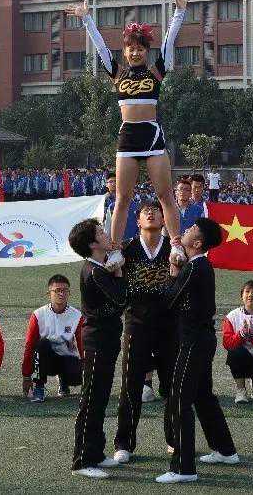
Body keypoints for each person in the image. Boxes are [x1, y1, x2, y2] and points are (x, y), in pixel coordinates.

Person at [66, 0, 189, 271]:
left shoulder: (157, 71)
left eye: (140, 48)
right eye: (131, 48)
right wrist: (86, 19)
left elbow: (169, 40)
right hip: (127, 139)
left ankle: (176, 245)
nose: (135, 52)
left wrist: (179, 11)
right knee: (122, 199)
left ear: (147, 51)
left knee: (165, 195)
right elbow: (100, 47)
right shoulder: (117, 72)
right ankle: (114, 251)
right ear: (125, 51)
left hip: (152, 137)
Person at [158, 217, 238, 484]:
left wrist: (172, 270)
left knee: (180, 400)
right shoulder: (198, 265)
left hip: (193, 342)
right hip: (201, 339)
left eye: (192, 229)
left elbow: (169, 299)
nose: (186, 229)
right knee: (203, 396)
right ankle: (225, 449)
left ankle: (183, 468)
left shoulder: (194, 267)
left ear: (198, 242)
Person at [113, 201, 176, 464]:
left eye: (156, 211)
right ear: (137, 221)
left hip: (168, 326)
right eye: (144, 212)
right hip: (136, 324)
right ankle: (124, 443)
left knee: (171, 385)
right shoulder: (126, 249)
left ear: (164, 220)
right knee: (130, 384)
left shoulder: (173, 249)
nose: (150, 213)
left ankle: (175, 438)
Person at [69, 218, 127, 479]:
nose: (106, 234)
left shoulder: (99, 267)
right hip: (98, 341)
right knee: (91, 401)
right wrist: (119, 272)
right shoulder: (95, 272)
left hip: (106, 339)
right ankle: (82, 461)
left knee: (100, 398)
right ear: (93, 244)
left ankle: (95, 452)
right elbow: (122, 299)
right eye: (101, 232)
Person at [21, 274, 84, 402]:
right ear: (49, 293)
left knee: (76, 378)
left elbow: (83, 344)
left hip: (67, 357)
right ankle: (39, 387)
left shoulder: (77, 316)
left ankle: (64, 382)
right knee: (42, 343)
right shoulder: (38, 315)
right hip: (46, 361)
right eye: (57, 290)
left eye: (65, 290)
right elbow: (29, 345)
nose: (61, 294)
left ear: (69, 293)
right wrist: (26, 376)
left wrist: (87, 371)